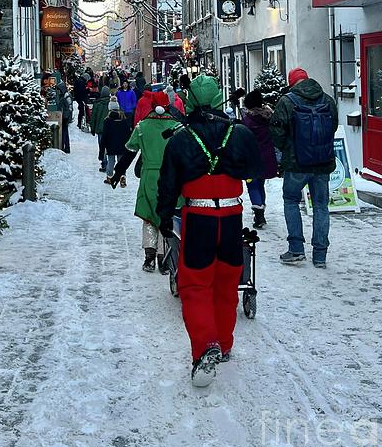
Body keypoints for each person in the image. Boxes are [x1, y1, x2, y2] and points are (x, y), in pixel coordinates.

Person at [157, 75, 263, 387]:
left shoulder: (180, 138)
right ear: (218, 98)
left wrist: (164, 218)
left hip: (198, 216)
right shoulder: (240, 133)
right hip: (231, 215)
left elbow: (167, 186)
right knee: (227, 280)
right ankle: (225, 343)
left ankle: (205, 347)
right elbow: (256, 172)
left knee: (195, 285)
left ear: (188, 99)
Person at [270, 67, 338, 268]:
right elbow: (333, 126)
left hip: (297, 163)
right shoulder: (327, 99)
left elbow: (276, 130)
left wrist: (287, 148)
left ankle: (296, 249)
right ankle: (320, 255)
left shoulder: (287, 101)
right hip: (323, 162)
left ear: (292, 83)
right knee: (321, 206)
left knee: (290, 200)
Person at [110, 92, 182, 272]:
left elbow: (129, 153)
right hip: (172, 177)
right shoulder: (177, 127)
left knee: (150, 217)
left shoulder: (142, 127)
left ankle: (149, 257)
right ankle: (163, 257)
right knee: (167, 216)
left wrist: (118, 173)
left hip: (149, 176)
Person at [241, 89, 278, 229]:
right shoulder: (268, 118)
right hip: (266, 158)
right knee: (260, 184)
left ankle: (259, 213)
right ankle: (261, 208)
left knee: (252, 185)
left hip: (251, 159)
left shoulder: (247, 121)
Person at [102, 99, 132, 186]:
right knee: (121, 161)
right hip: (121, 145)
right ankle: (122, 177)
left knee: (111, 161)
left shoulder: (107, 121)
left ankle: (109, 177)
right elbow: (128, 133)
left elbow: (105, 135)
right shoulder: (124, 120)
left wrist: (103, 147)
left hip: (110, 145)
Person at [90, 85, 111, 170]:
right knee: (109, 146)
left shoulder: (97, 104)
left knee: (102, 146)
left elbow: (93, 117)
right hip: (110, 129)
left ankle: (104, 163)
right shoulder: (111, 103)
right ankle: (110, 163)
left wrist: (93, 128)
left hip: (100, 129)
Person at [54, 71, 73, 154]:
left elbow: (69, 107)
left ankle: (66, 147)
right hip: (65, 116)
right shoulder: (65, 96)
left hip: (65, 117)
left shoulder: (65, 96)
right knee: (65, 132)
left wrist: (66, 115)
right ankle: (66, 147)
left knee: (64, 132)